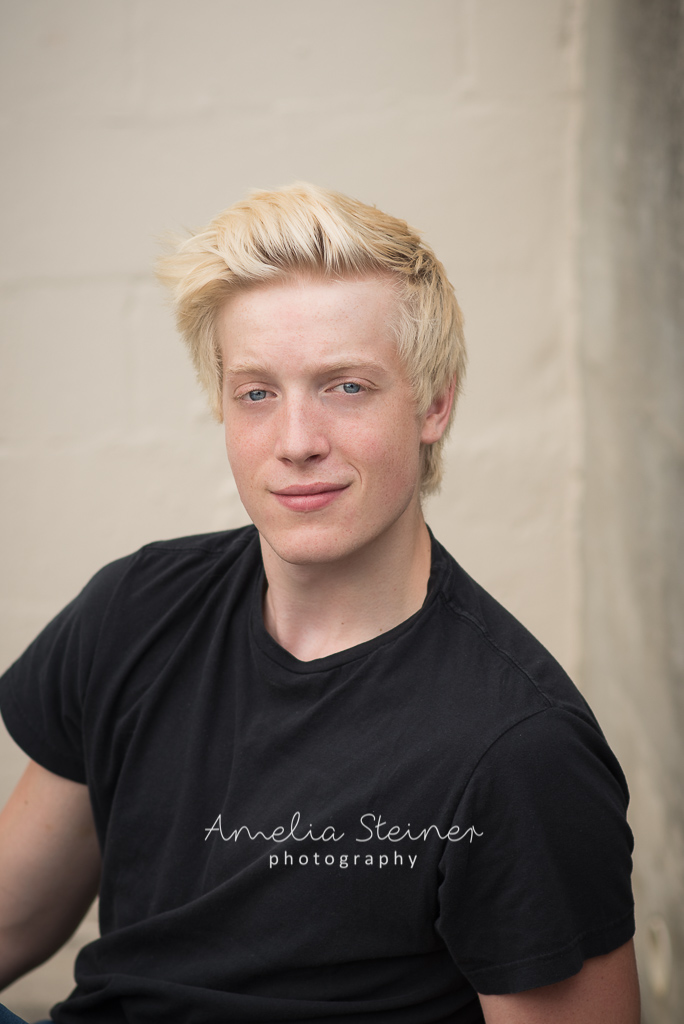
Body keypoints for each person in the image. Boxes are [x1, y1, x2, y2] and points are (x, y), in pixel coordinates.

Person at [0, 183, 640, 1023]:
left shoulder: (521, 751)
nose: (296, 442)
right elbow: (11, 922)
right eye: (257, 393)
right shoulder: (135, 610)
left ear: (434, 404)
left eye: (345, 387)